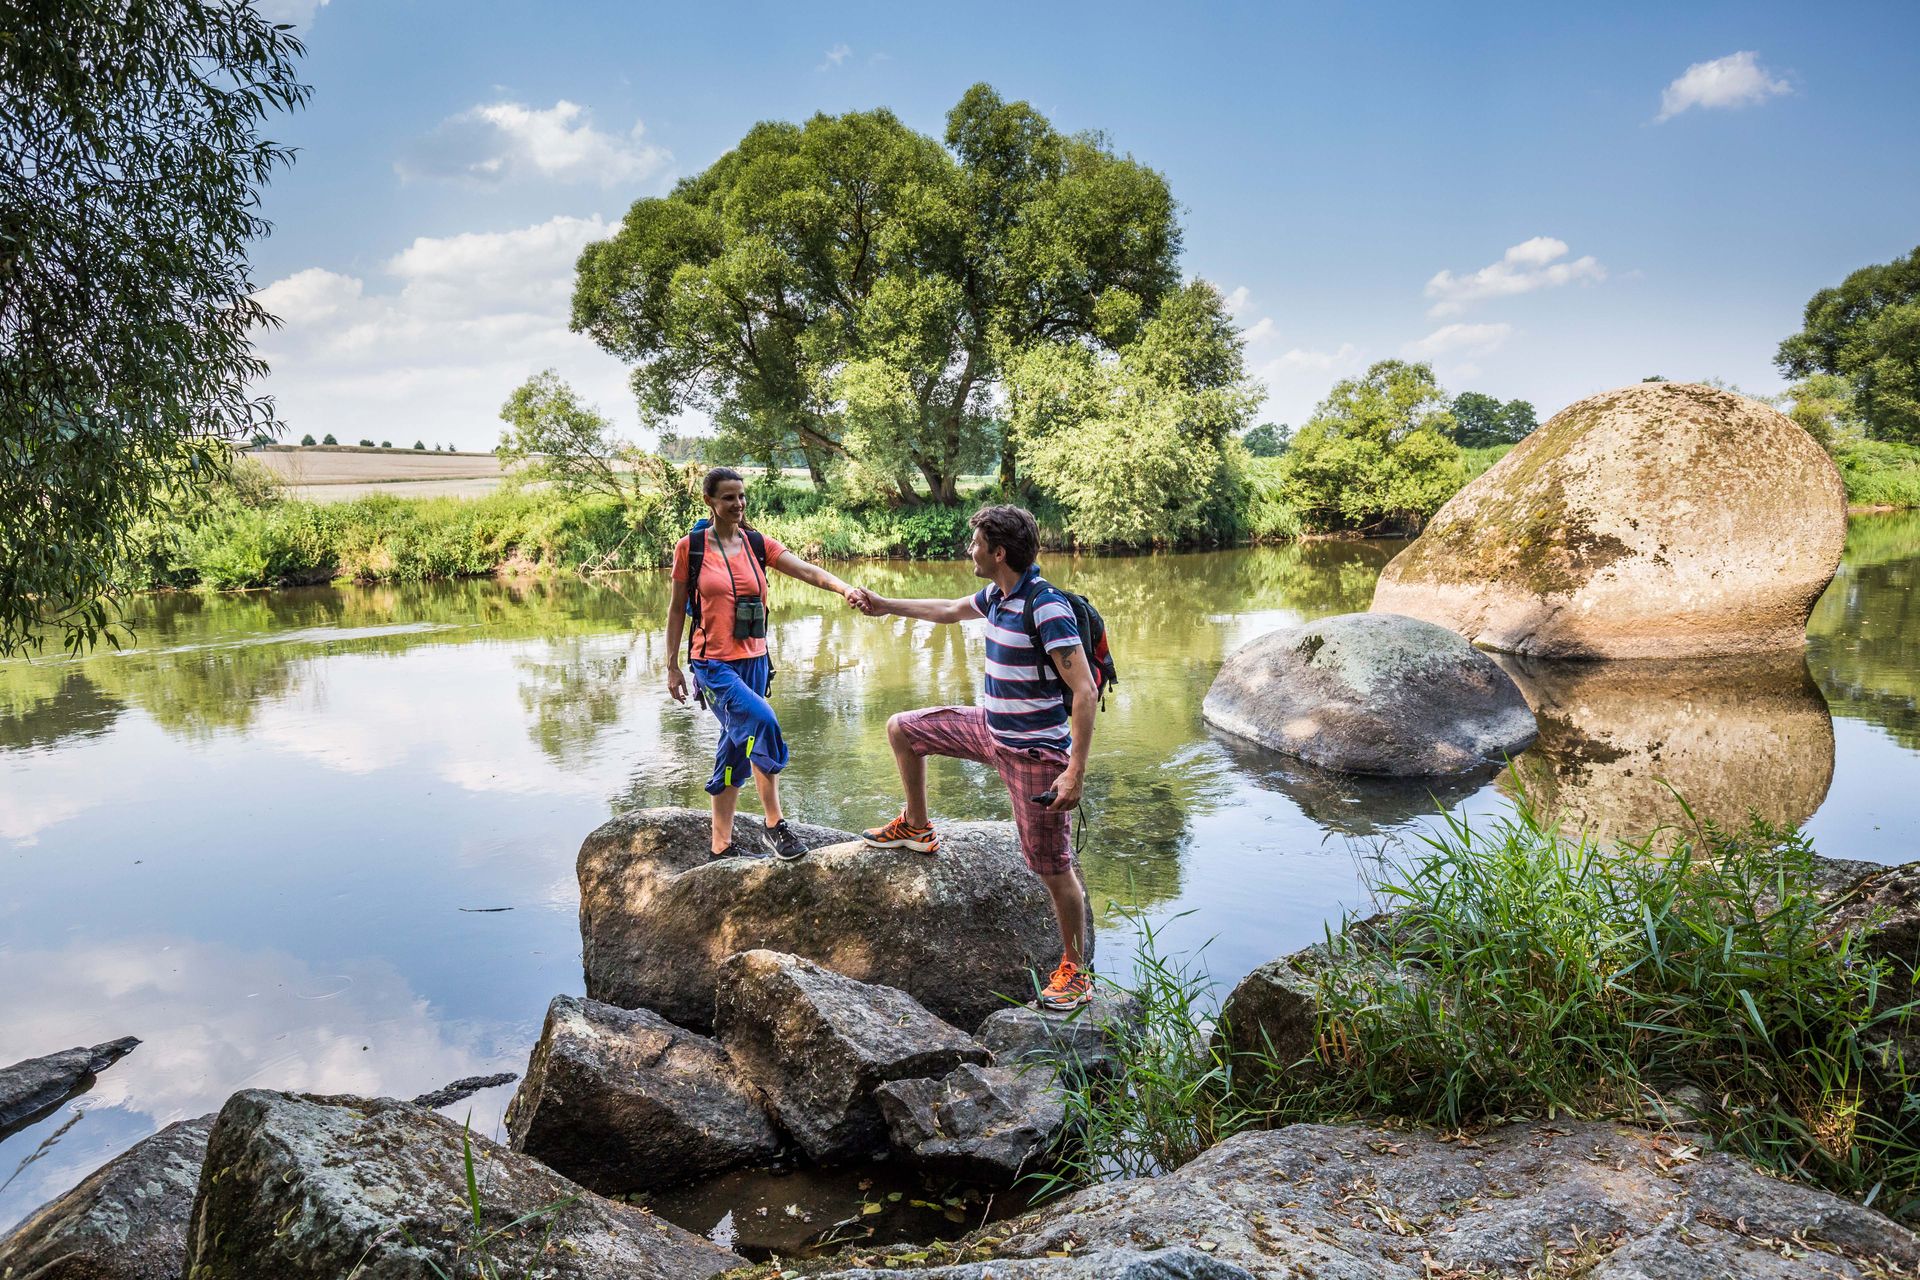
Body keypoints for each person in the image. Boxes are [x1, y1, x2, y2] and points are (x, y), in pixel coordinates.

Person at [847, 505, 1097, 1010]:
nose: (969, 550)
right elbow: (947, 610)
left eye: (976, 543)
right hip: (989, 730)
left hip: (1035, 755)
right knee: (903, 729)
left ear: (998, 552)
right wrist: (884, 605)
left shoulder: (1045, 607)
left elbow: (1085, 691)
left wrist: (1074, 772)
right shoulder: (999, 596)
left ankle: (1075, 970)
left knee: (1051, 867)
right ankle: (917, 825)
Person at [666, 467, 858, 862]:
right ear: (709, 501)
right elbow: (674, 610)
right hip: (713, 664)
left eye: (741, 497)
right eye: (728, 498)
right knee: (763, 722)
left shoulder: (756, 544)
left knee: (735, 748)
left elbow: (805, 570)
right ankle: (774, 826)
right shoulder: (692, 548)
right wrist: (671, 665)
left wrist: (845, 588)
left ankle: (720, 845)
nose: (737, 504)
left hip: (755, 659)